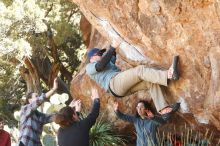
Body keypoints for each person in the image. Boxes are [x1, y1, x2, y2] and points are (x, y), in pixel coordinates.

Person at [86, 39, 180, 115]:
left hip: (121, 89)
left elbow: (111, 55)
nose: (101, 55)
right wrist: (112, 47)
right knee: (139, 70)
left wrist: (115, 42)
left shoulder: (107, 62)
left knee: (150, 81)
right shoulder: (89, 67)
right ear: (92, 58)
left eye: (102, 53)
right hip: (114, 83)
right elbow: (100, 66)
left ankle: (163, 109)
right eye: (99, 54)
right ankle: (168, 74)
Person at [114, 100, 180, 146]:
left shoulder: (152, 119)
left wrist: (153, 117)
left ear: (146, 109)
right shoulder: (135, 119)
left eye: (141, 107)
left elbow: (163, 122)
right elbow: (123, 116)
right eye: (137, 107)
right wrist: (116, 110)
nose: (139, 109)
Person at [18, 78, 58, 146]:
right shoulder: (25, 109)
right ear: (30, 100)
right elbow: (39, 100)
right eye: (36, 96)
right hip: (25, 144)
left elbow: (54, 116)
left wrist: (71, 108)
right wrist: (53, 89)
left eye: (38, 96)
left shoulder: (39, 115)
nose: (38, 97)